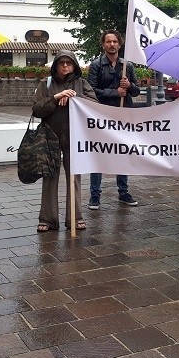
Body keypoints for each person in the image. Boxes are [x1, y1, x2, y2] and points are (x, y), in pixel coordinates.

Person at [32, 51, 98, 232]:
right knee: (49, 178)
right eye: (61, 63)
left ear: (74, 65)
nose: (65, 66)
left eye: (69, 63)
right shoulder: (46, 83)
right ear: (56, 65)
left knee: (74, 178)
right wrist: (55, 98)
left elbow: (94, 104)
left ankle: (75, 218)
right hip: (50, 137)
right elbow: (37, 109)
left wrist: (74, 98)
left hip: (75, 136)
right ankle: (47, 219)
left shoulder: (81, 83)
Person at [86, 30, 140, 209]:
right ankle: (95, 194)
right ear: (103, 44)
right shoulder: (96, 65)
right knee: (99, 153)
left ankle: (123, 191)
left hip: (124, 115)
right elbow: (91, 91)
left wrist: (129, 86)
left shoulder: (128, 66)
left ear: (120, 44)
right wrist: (114, 92)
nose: (112, 45)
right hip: (102, 115)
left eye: (115, 41)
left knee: (123, 153)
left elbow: (136, 91)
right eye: (108, 42)